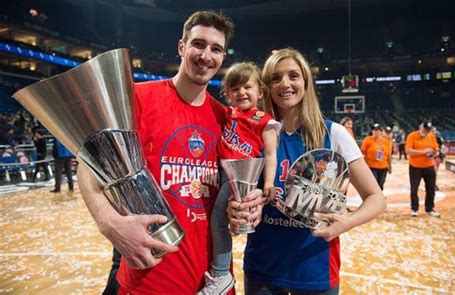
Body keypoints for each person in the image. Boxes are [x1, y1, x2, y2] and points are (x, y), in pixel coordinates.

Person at [77, 10, 264, 294]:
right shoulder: (137, 98)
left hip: (212, 281)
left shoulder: (227, 119)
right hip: (150, 278)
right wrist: (109, 223)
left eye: (216, 49)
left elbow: (237, 185)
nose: (206, 56)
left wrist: (249, 203)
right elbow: (88, 165)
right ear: (181, 47)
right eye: (198, 44)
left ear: (223, 57)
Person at [227, 48, 386, 294]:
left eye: (293, 75)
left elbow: (376, 198)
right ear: (266, 87)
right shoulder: (250, 134)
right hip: (263, 268)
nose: (285, 84)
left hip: (315, 269)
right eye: (276, 78)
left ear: (306, 82)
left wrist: (344, 223)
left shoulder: (334, 134)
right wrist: (237, 211)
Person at [199, 62, 280, 294]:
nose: (241, 92)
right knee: (224, 222)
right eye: (235, 89)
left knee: (218, 222)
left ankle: (221, 273)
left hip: (242, 176)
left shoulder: (264, 120)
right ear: (228, 94)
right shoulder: (228, 114)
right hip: (222, 173)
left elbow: (271, 153)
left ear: (260, 92)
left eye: (247, 87)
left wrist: (268, 183)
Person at [405, 122, 440, 217]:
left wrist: (434, 153)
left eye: (427, 130)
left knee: (431, 189)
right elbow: (408, 151)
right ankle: (414, 208)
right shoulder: (412, 136)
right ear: (420, 127)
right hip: (415, 167)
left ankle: (429, 209)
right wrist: (423, 152)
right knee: (414, 189)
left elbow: (436, 150)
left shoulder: (431, 136)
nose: (425, 131)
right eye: (424, 129)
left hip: (429, 166)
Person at [360, 123, 392, 190]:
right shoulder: (367, 140)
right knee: (373, 184)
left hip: (383, 167)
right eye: (374, 130)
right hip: (371, 166)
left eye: (377, 130)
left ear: (381, 132)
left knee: (380, 184)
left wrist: (390, 166)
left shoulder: (386, 141)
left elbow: (388, 155)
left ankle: (379, 197)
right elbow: (361, 153)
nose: (375, 132)